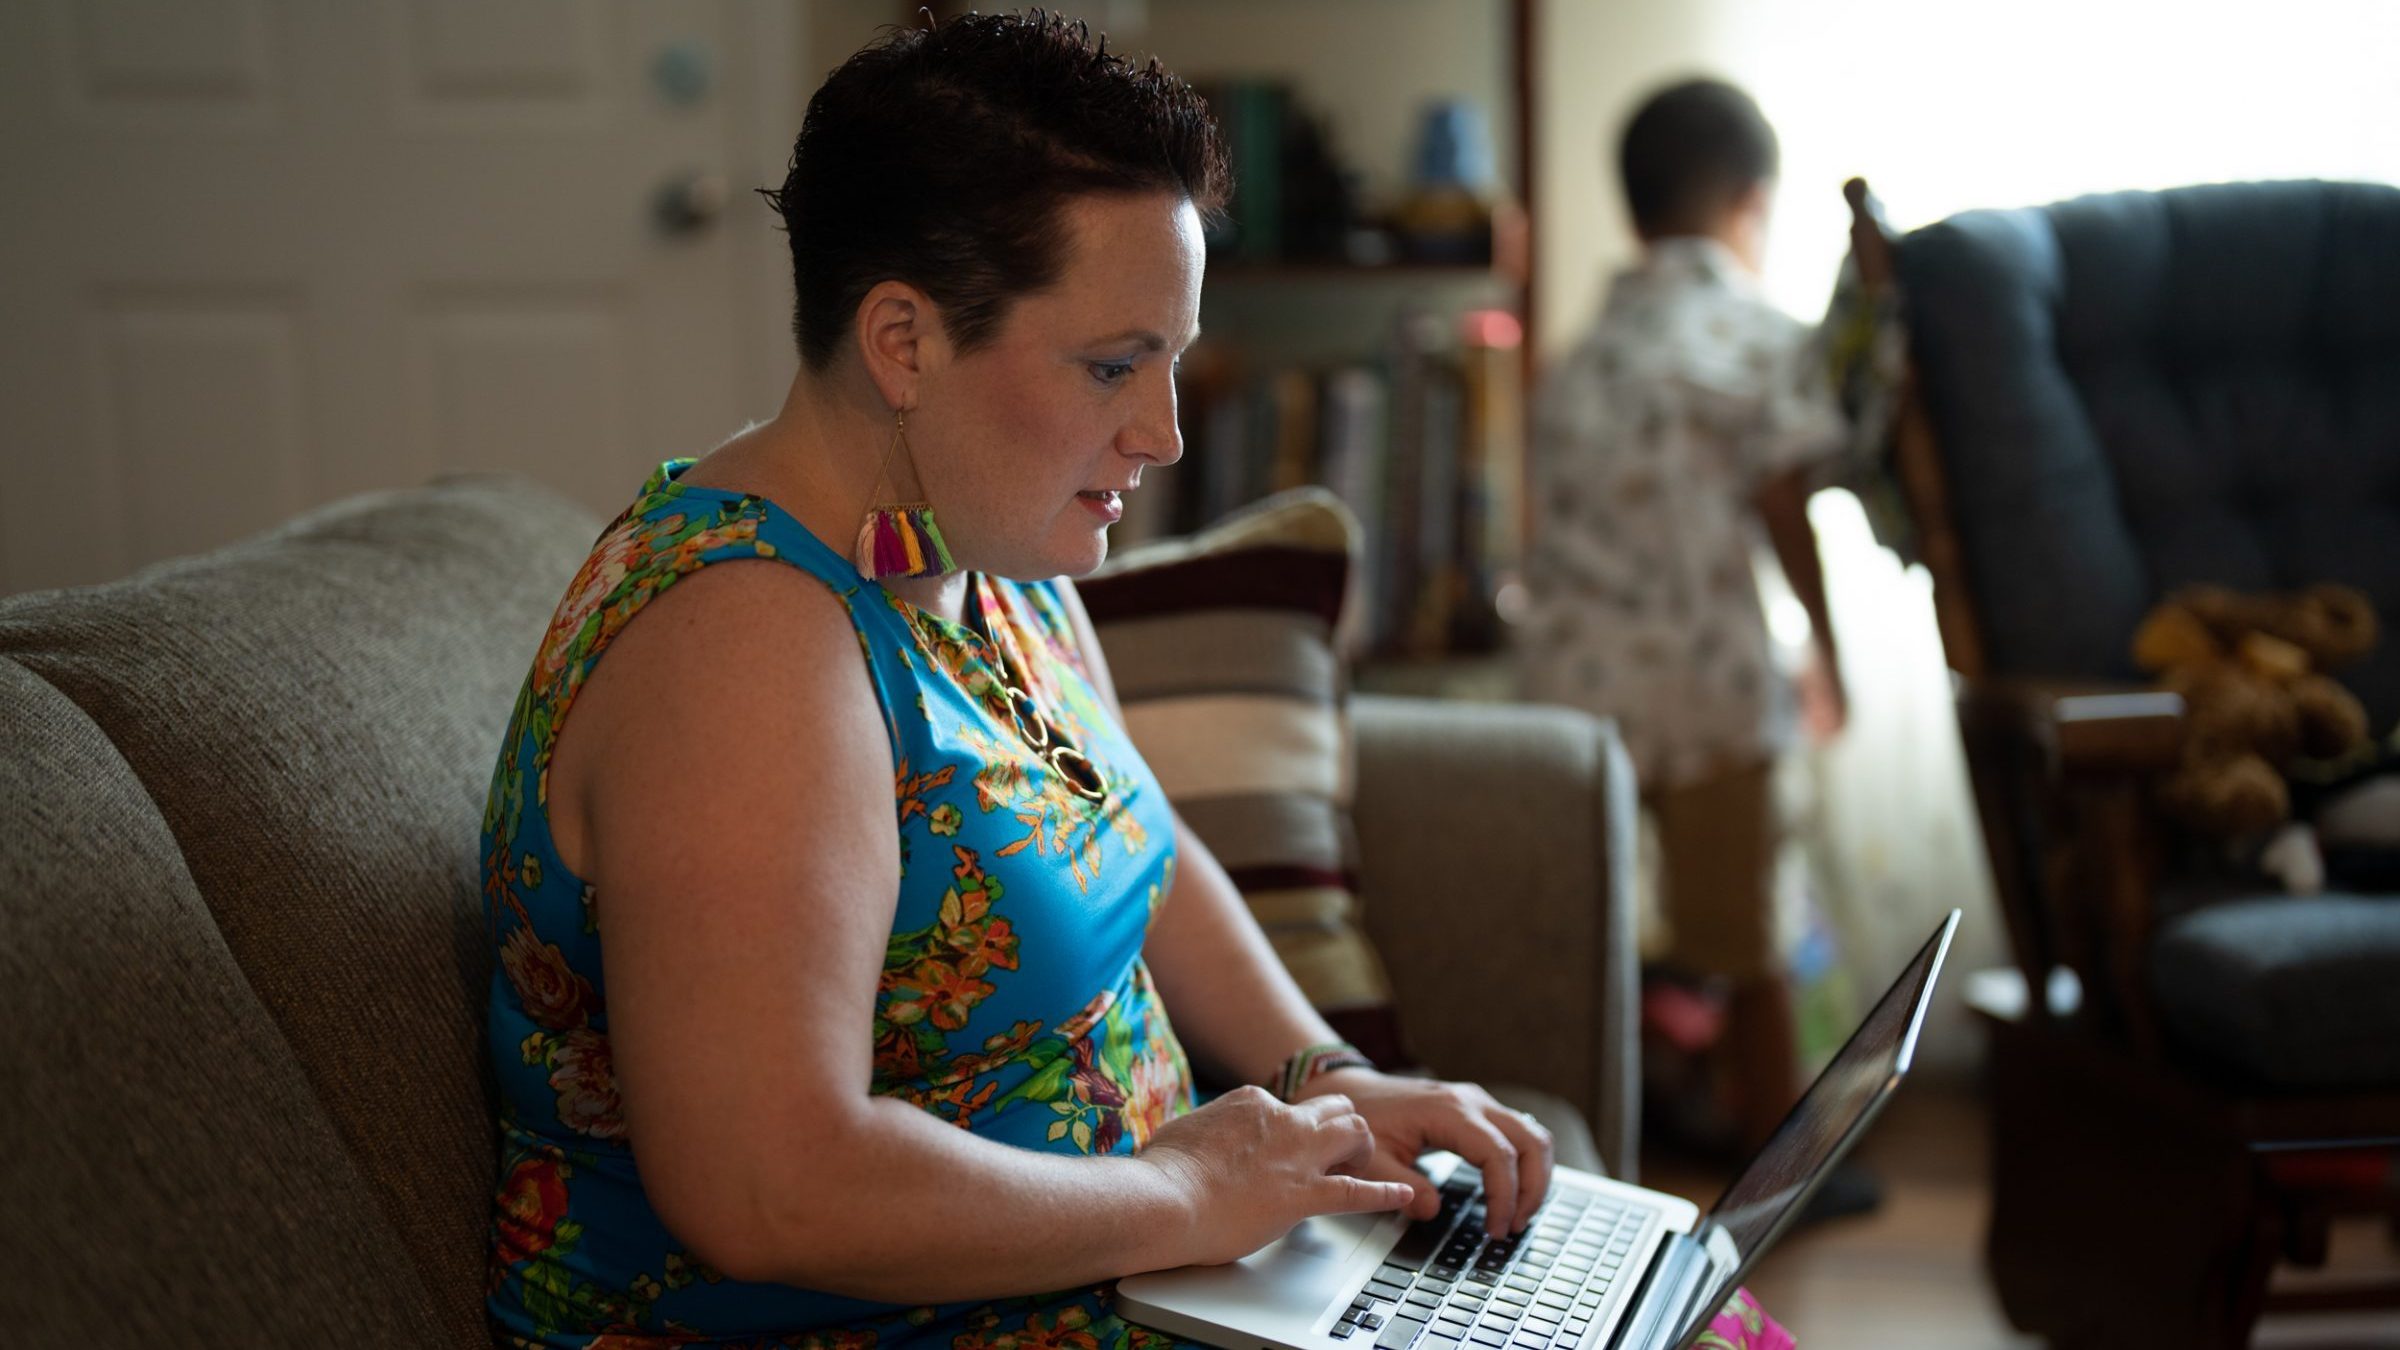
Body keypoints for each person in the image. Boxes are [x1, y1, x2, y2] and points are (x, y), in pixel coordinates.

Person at [1519, 78, 1854, 1168]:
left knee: (1592, 946)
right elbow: (1783, 505)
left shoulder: (1578, 359)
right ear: (1752, 202)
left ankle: (1597, 1154)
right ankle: (1779, 1158)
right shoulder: (1761, 338)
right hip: (1707, 685)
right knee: (1745, 939)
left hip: (1578, 691)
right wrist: (1829, 652)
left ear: (1634, 210)